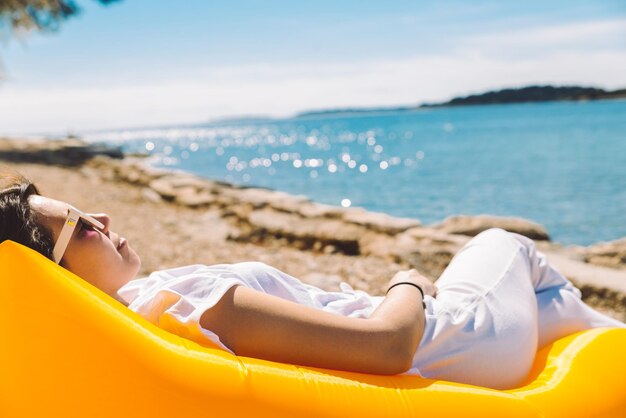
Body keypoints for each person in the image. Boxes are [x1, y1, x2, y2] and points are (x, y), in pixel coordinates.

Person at [1, 171, 624, 390]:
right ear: (54, 277)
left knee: (557, 302)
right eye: (81, 228)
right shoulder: (182, 301)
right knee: (502, 243)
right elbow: (387, 347)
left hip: (466, 341)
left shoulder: (139, 314)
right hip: (459, 343)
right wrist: (406, 282)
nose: (102, 219)